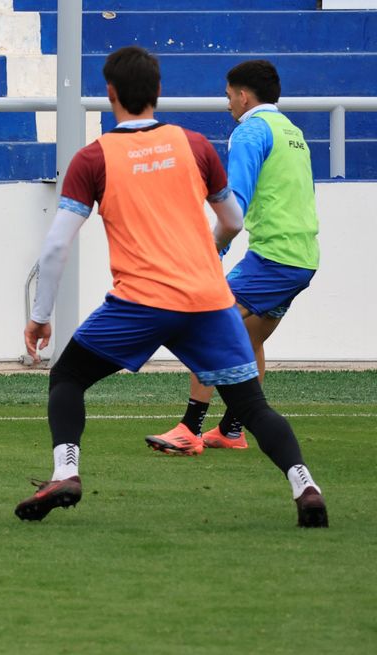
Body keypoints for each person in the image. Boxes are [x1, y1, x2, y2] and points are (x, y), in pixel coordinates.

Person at [15, 46, 326, 528]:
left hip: (141, 300)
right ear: (158, 92)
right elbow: (232, 218)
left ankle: (66, 471)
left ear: (111, 94)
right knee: (250, 405)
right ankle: (305, 484)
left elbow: (57, 246)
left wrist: (40, 315)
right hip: (207, 297)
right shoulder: (195, 144)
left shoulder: (93, 157)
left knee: (69, 377)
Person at [146, 60, 319, 456]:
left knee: (204, 326)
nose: (227, 105)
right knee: (247, 336)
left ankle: (190, 429)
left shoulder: (250, 131)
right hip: (302, 255)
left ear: (243, 96)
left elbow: (234, 207)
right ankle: (231, 429)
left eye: (228, 97)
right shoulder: (292, 132)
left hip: (274, 258)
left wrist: (213, 250)